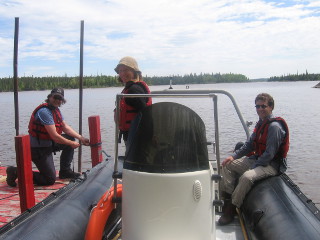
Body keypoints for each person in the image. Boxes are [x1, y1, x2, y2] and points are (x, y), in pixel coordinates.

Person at [218, 93, 289, 225]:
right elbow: (249, 145)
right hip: (259, 159)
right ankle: (227, 198)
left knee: (246, 177)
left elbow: (270, 154)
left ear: (271, 107)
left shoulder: (274, 127)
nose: (260, 109)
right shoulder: (261, 123)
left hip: (272, 164)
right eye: (257, 106)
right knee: (227, 165)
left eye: (263, 106)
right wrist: (233, 156)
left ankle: (232, 208)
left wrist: (253, 166)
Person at [6, 87, 90, 187]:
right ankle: (15, 171)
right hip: (38, 149)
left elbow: (65, 127)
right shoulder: (44, 112)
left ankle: (65, 172)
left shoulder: (56, 110)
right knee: (49, 179)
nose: (57, 100)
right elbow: (55, 136)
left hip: (48, 142)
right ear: (50, 97)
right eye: (55, 97)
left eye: (60, 99)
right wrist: (71, 144)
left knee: (70, 138)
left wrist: (81, 138)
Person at [114, 56, 152, 144]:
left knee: (134, 158)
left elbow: (146, 114)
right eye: (120, 71)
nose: (122, 73)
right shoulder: (130, 89)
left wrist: (151, 135)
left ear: (134, 72)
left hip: (137, 136)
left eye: (126, 70)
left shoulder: (134, 90)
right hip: (131, 134)